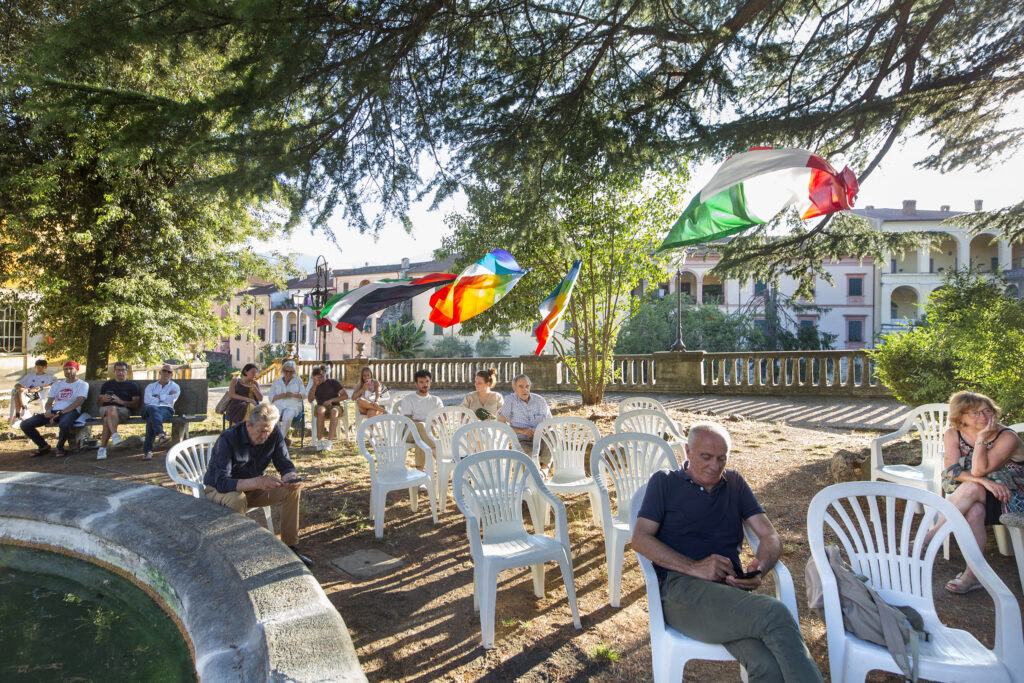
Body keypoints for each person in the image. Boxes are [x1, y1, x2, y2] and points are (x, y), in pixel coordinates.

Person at [632, 422, 824, 683]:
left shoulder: (734, 483)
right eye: (706, 457)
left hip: (729, 595)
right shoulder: (665, 482)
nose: (715, 466)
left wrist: (760, 569)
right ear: (687, 450)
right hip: (682, 593)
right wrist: (694, 567)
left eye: (721, 458)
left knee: (768, 666)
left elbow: (770, 536)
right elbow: (640, 538)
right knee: (775, 613)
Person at [202, 403, 311, 567]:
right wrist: (258, 482)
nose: (265, 436)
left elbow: (284, 463)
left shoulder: (273, 433)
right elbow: (222, 482)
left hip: (253, 488)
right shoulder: (228, 438)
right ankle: (239, 554)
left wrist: (290, 476)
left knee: (292, 490)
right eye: (261, 431)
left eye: (268, 431)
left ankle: (290, 547)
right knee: (237, 499)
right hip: (219, 490)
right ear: (248, 425)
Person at [936, 391, 1024, 594]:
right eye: (975, 413)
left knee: (972, 487)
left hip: (1014, 496)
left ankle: (929, 538)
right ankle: (972, 575)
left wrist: (982, 438)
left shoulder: (1007, 436)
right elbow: (951, 472)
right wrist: (983, 481)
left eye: (987, 411)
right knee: (974, 508)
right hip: (986, 494)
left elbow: (977, 470)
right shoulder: (953, 433)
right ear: (961, 416)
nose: (983, 417)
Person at [21, 361, 89, 458]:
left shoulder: (82, 384)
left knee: (64, 424)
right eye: (66, 369)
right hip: (54, 411)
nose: (68, 371)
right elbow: (49, 402)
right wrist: (48, 411)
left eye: (71, 369)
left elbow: (78, 402)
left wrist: (59, 414)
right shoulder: (57, 385)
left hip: (71, 411)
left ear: (77, 370)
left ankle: (60, 447)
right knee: (25, 424)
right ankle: (43, 446)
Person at [497, 374, 552, 468]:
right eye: (521, 387)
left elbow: (549, 422)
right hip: (522, 440)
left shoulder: (540, 400)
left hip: (541, 438)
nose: (525, 390)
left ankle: (544, 469)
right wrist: (522, 431)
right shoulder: (510, 400)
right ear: (514, 388)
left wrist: (542, 430)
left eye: (527, 386)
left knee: (553, 434)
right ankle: (541, 470)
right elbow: (500, 424)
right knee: (529, 455)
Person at [96, 361, 141, 460]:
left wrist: (120, 401)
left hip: (123, 410)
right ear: (114, 372)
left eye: (123, 370)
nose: (120, 372)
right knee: (110, 408)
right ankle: (115, 435)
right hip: (104, 409)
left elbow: (136, 404)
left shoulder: (132, 385)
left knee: (107, 419)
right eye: (118, 370)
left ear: (126, 371)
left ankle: (102, 448)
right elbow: (99, 404)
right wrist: (103, 399)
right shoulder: (107, 384)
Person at [399, 369, 444, 470]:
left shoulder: (436, 400)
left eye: (427, 381)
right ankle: (438, 456)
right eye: (421, 382)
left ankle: (420, 473)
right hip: (408, 432)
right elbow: (407, 418)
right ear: (416, 384)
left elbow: (442, 416)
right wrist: (425, 424)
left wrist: (431, 424)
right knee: (421, 427)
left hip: (427, 432)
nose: (425, 384)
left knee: (420, 438)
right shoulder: (409, 398)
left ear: (430, 382)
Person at [141, 364, 180, 460]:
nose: (166, 373)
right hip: (148, 409)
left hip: (166, 409)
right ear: (160, 372)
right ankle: (161, 434)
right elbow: (147, 400)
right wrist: (165, 397)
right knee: (153, 409)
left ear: (172, 374)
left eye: (169, 372)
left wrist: (157, 397)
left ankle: (148, 452)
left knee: (152, 418)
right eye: (164, 371)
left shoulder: (175, 387)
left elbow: (172, 400)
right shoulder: (151, 386)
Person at [308, 366, 348, 451]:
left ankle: (329, 442)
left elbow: (345, 396)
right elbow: (310, 400)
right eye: (315, 378)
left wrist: (331, 400)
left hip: (335, 405)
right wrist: (314, 385)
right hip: (321, 406)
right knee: (321, 410)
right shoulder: (315, 385)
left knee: (334, 411)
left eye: (318, 377)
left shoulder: (333, 382)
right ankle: (319, 441)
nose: (317, 380)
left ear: (323, 376)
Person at [9, 359, 53, 429]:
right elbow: (17, 384)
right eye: (38, 367)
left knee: (17, 394)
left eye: (42, 367)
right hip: (26, 393)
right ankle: (23, 409)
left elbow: (51, 385)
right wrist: (22, 388)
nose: (39, 369)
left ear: (45, 368)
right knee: (18, 392)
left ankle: (18, 415)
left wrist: (39, 387)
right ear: (35, 367)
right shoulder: (30, 375)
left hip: (38, 394)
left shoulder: (48, 376)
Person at [268, 361, 305, 445]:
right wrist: (280, 396)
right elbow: (271, 397)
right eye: (286, 371)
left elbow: (304, 395)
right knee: (273, 416)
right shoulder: (277, 381)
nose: (288, 373)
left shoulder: (298, 380)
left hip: (293, 405)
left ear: (294, 372)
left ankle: (278, 441)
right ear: (283, 371)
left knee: (287, 417)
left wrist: (293, 395)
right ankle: (282, 439)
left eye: (291, 372)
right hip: (279, 404)